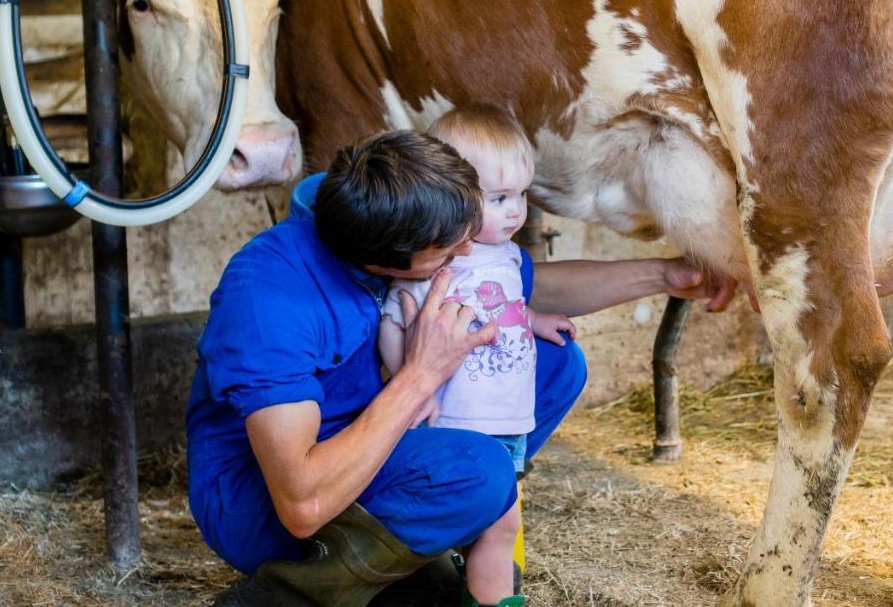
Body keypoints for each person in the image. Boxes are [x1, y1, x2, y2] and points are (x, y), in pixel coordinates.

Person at [186, 129, 732, 605]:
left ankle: (417, 550)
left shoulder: (385, 211)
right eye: (448, 256)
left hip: (366, 438)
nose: (468, 255)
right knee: (482, 472)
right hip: (264, 502)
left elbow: (516, 284)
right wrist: (420, 374)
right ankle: (293, 593)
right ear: (387, 264)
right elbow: (300, 501)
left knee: (553, 363)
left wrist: (664, 274)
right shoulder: (271, 299)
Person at [380, 107, 576, 606]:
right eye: (499, 199)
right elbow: (397, 318)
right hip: (457, 421)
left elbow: (503, 304)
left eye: (522, 195)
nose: (516, 212)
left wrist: (532, 319)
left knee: (496, 524)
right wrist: (406, 381)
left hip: (503, 421)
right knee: (497, 523)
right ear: (452, 198)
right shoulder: (437, 261)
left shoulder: (507, 252)